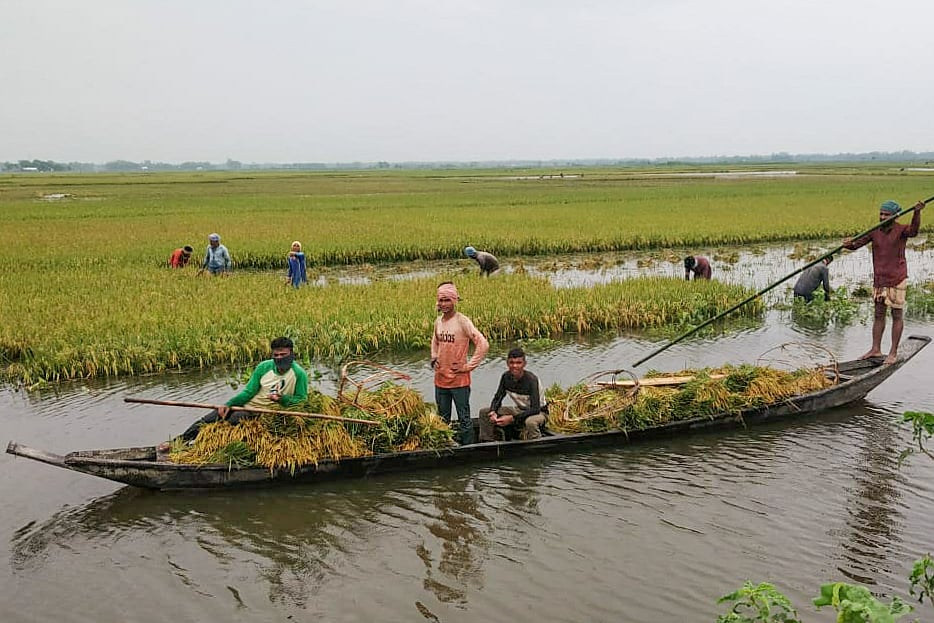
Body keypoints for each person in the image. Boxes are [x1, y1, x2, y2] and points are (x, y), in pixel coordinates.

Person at [160, 337, 309, 451]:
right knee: (211, 418)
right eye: (276, 355)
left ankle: (205, 448)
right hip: (249, 406)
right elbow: (248, 392)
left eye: (283, 355)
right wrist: (229, 404)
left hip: (267, 414)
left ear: (291, 354)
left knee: (233, 422)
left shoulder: (299, 374)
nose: (279, 358)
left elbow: (301, 400)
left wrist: (282, 400)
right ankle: (178, 443)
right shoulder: (264, 367)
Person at [843, 199, 924, 365]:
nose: (882, 217)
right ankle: (875, 349)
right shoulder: (875, 231)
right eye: (881, 214)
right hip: (880, 280)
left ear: (895, 216)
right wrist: (848, 244)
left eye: (886, 214)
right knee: (878, 315)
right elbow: (857, 244)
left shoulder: (901, 230)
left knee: (896, 314)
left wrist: (916, 212)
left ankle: (893, 352)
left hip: (897, 278)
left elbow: (914, 231)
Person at [431, 281, 489, 445]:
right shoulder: (438, 322)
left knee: (464, 418)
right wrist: (434, 357)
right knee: (442, 419)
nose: (444, 304)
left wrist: (468, 366)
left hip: (459, 380)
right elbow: (435, 341)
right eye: (441, 300)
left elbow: (483, 344)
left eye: (447, 300)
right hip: (440, 379)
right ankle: (444, 445)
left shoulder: (462, 321)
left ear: (455, 300)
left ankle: (468, 448)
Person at [479, 347, 548, 442]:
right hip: (519, 410)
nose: (514, 366)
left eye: (518, 363)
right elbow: (498, 397)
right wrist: (493, 411)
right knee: (484, 412)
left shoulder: (531, 380)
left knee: (530, 422)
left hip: (539, 412)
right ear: (507, 363)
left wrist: (512, 419)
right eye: (511, 363)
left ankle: (537, 445)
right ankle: (487, 443)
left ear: (524, 364)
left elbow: (535, 409)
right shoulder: (505, 377)